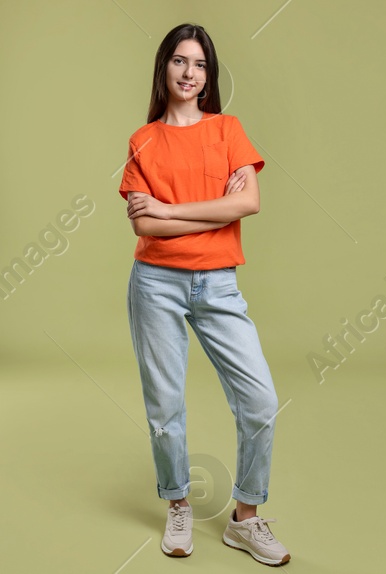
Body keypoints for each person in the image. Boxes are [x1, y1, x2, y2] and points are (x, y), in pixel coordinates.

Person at [120, 23, 290, 567]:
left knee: (260, 401)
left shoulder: (228, 129)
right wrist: (201, 211)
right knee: (166, 407)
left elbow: (248, 204)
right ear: (163, 68)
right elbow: (145, 229)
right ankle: (177, 503)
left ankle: (246, 517)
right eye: (179, 61)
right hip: (156, 284)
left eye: (199, 65)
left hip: (218, 283)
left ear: (209, 75)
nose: (189, 73)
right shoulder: (143, 140)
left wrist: (169, 210)